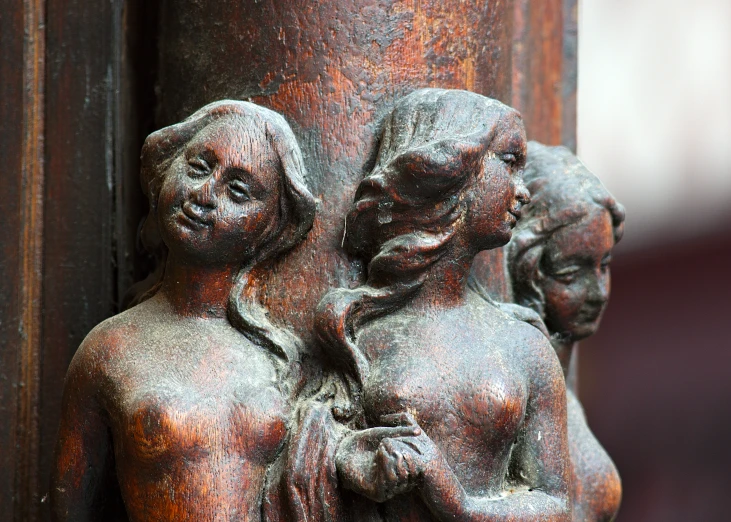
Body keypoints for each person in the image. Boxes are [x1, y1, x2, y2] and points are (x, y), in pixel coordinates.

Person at [265, 88, 571, 522]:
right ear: (452, 164)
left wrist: (461, 507)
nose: (522, 192)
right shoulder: (353, 332)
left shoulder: (524, 346)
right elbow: (303, 445)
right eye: (509, 162)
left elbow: (558, 505)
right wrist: (350, 459)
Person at [51, 100, 316, 521]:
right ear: (165, 172)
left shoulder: (282, 359)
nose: (205, 195)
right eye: (197, 167)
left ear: (270, 224)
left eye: (238, 190)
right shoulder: (110, 350)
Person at [506, 141, 625, 521]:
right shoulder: (509, 391)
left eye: (604, 265)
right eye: (572, 275)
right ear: (528, 272)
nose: (598, 293)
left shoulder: (565, 394)